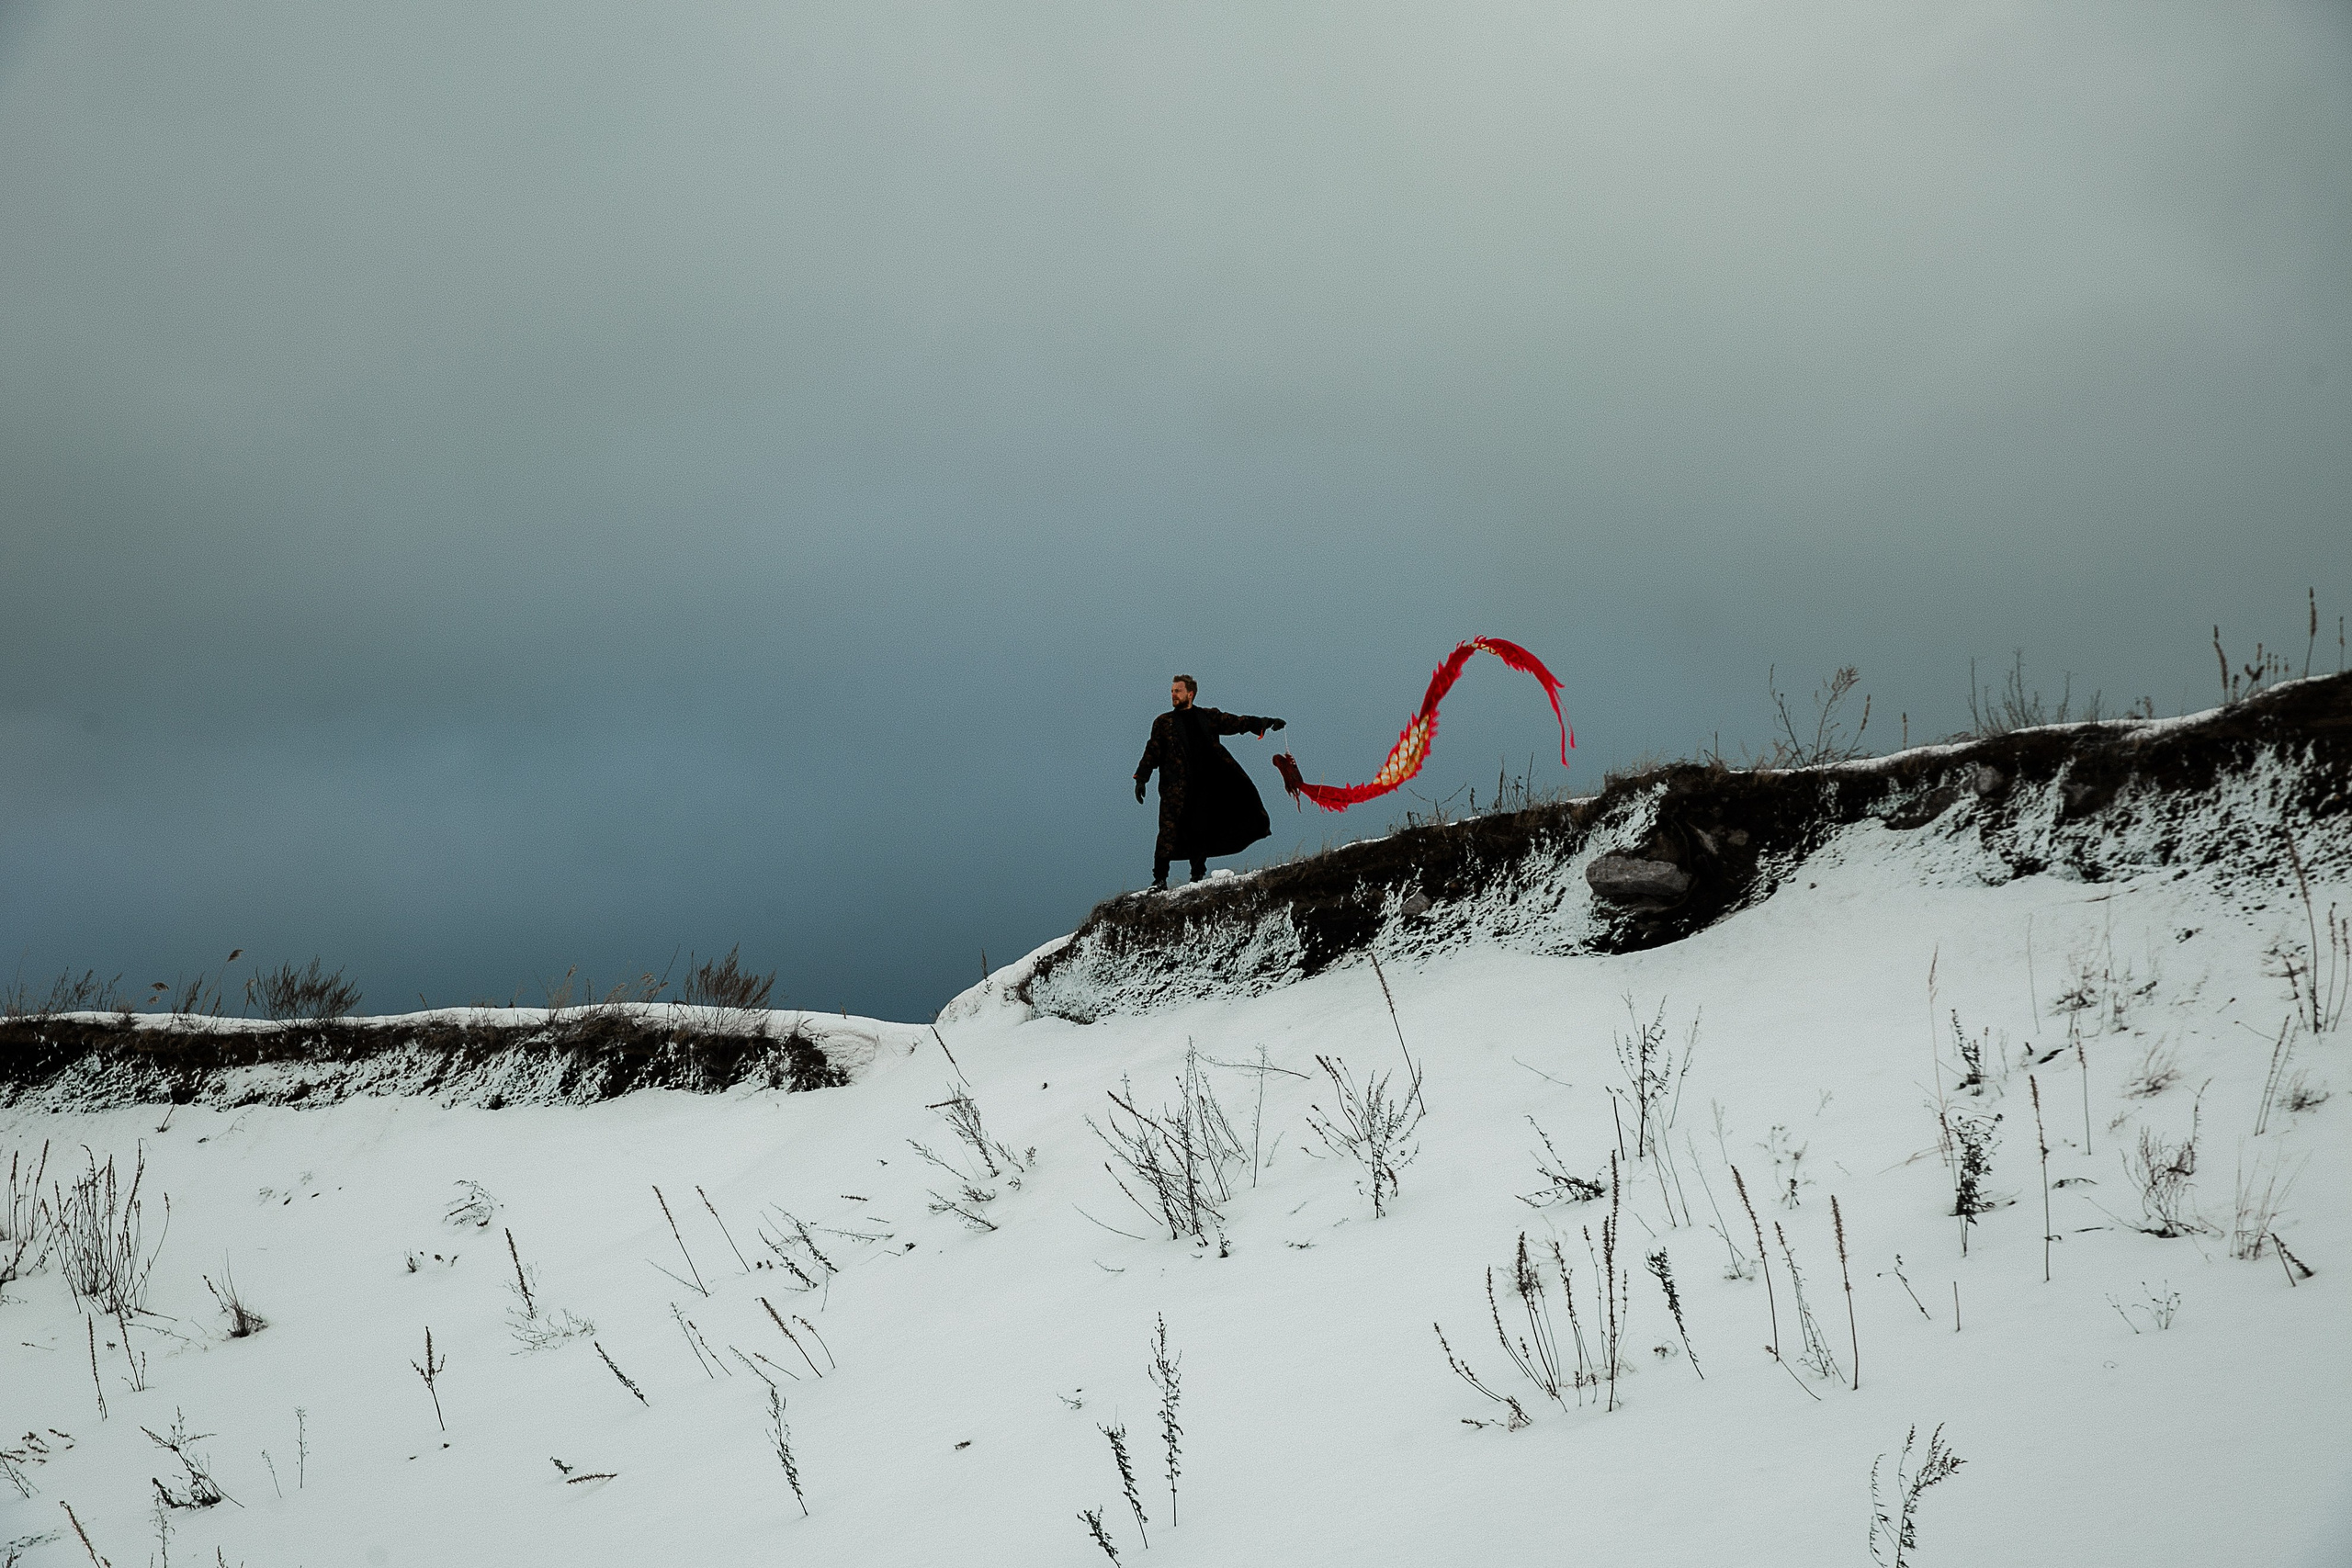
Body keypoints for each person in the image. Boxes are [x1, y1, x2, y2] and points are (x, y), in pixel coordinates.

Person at [1134, 674, 1285, 889]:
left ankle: (1196, 878)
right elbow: (1152, 751)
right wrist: (1141, 778)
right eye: (1172, 691)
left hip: (1203, 787)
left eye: (1178, 691)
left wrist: (1265, 723)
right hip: (1174, 789)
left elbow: (1236, 722)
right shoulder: (1163, 722)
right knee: (1168, 831)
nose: (1173, 695)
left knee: (1200, 831)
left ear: (1190, 694)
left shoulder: (1207, 717)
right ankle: (1159, 880)